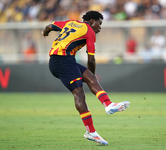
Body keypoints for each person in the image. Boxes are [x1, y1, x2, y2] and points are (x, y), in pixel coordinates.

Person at [41, 10, 130, 146]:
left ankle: (108, 105)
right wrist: (92, 74)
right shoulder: (89, 31)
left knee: (89, 77)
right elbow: (91, 59)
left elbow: (49, 26)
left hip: (61, 59)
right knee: (79, 94)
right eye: (99, 24)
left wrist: (44, 33)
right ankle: (91, 131)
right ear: (92, 21)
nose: (100, 28)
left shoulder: (71, 23)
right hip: (62, 61)